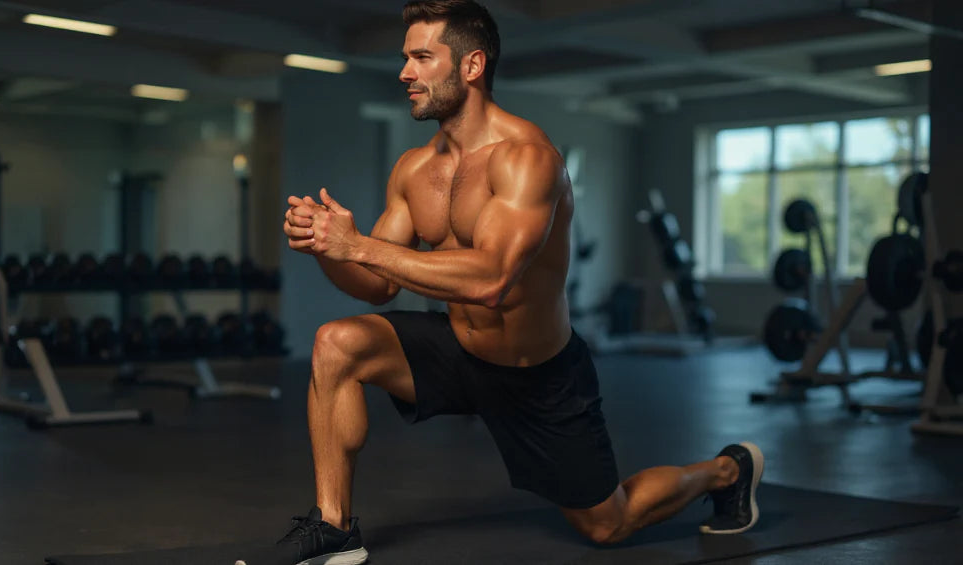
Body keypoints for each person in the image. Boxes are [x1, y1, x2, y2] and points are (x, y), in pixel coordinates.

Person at [239, 1, 763, 563]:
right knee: (336, 343)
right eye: (404, 59)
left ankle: (726, 470)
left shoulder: (528, 159)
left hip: (536, 374)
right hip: (460, 351)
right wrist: (326, 245)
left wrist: (356, 244)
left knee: (609, 523)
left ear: (471, 65)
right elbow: (377, 286)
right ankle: (335, 527)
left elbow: (491, 279)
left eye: (421, 57)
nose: (404, 73)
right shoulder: (414, 169)